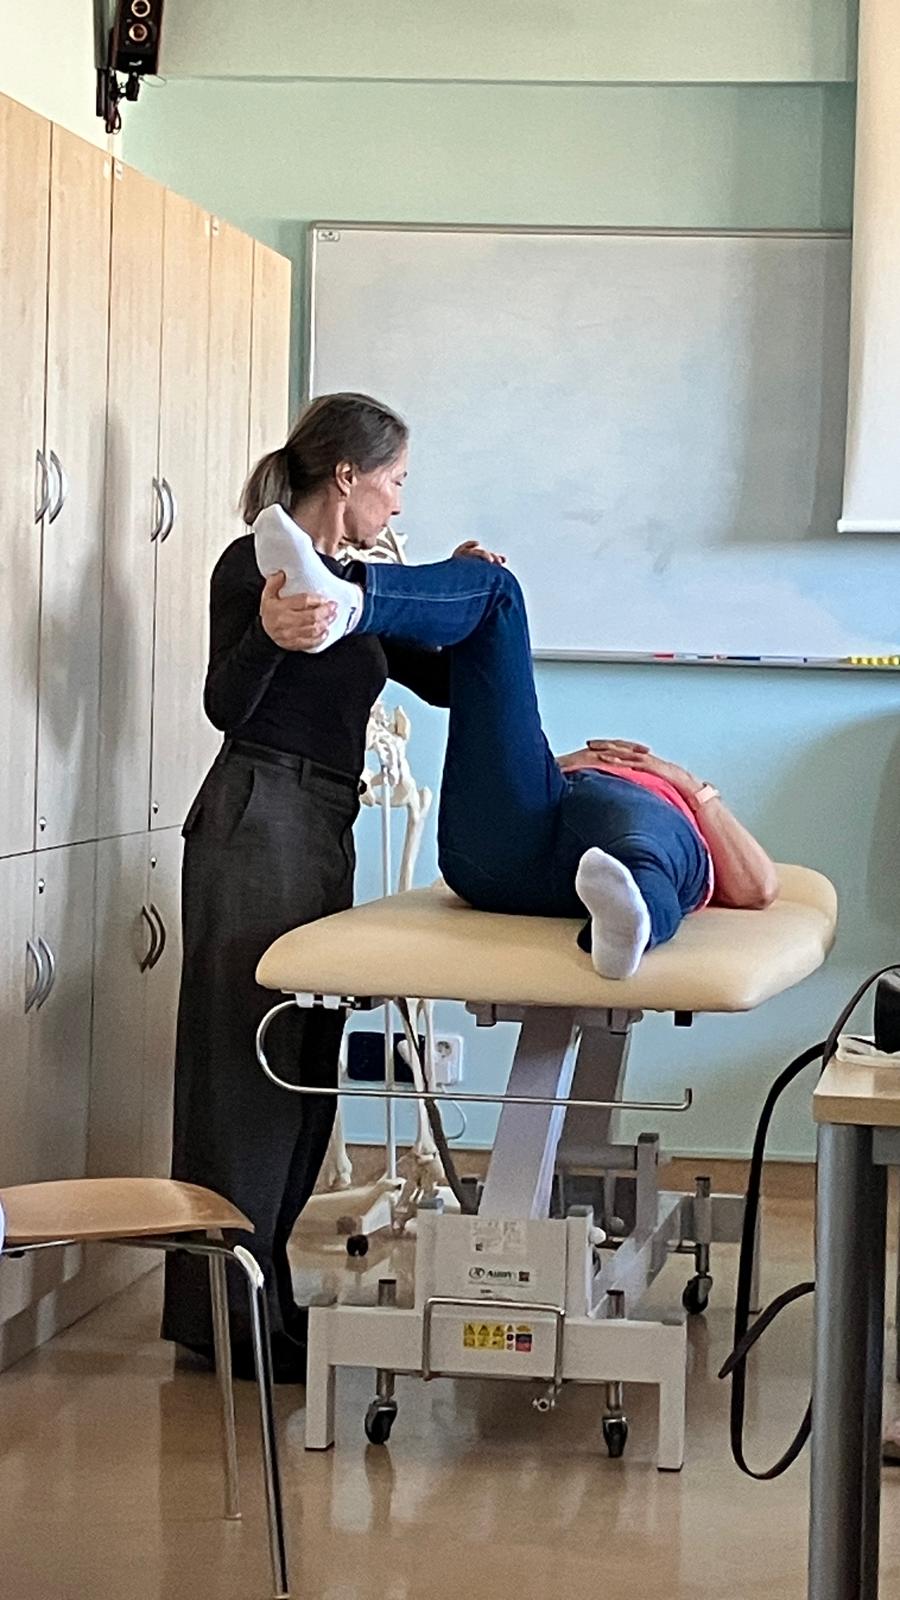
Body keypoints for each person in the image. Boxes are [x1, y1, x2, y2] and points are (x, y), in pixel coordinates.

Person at [162, 393, 499, 1382]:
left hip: (320, 823)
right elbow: (226, 703)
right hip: (257, 812)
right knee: (245, 1068)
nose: (400, 502)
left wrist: (462, 591)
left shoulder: (360, 585)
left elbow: (445, 682)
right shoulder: (254, 567)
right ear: (346, 475)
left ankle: (268, 1297)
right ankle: (221, 1320)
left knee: (306, 1066)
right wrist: (271, 630)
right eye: (394, 481)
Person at [253, 502, 780, 981]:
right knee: (493, 590)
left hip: (603, 837)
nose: (398, 499)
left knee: (639, 852)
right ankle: (344, 600)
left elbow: (759, 888)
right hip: (513, 839)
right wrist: (556, 766)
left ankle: (626, 923)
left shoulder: (677, 804)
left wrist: (687, 785)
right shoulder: (569, 780)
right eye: (396, 481)